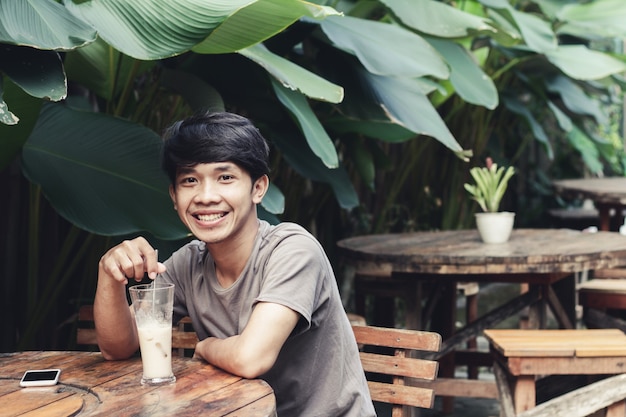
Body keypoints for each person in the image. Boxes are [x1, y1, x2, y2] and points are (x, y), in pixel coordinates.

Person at [94, 111, 376, 416]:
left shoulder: (293, 250)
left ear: (258, 188)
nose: (206, 196)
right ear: (174, 196)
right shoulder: (188, 264)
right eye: (190, 180)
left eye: (225, 177)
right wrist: (108, 274)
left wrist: (204, 347)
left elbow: (250, 358)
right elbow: (118, 347)